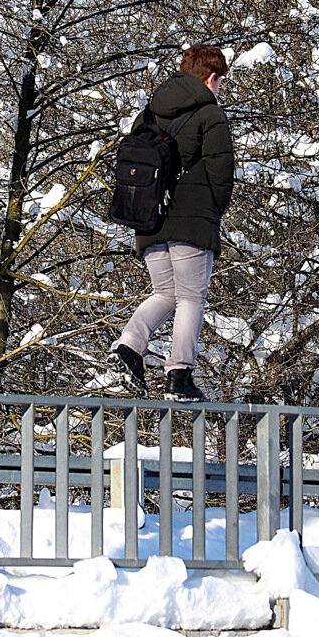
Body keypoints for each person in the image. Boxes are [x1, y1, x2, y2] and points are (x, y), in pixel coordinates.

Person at [107, 43, 234, 401]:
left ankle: (129, 347)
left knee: (165, 294)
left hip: (148, 220)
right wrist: (210, 214)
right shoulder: (210, 113)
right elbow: (221, 175)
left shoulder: (149, 112)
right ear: (212, 78)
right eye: (220, 80)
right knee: (192, 297)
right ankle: (180, 374)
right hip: (191, 223)